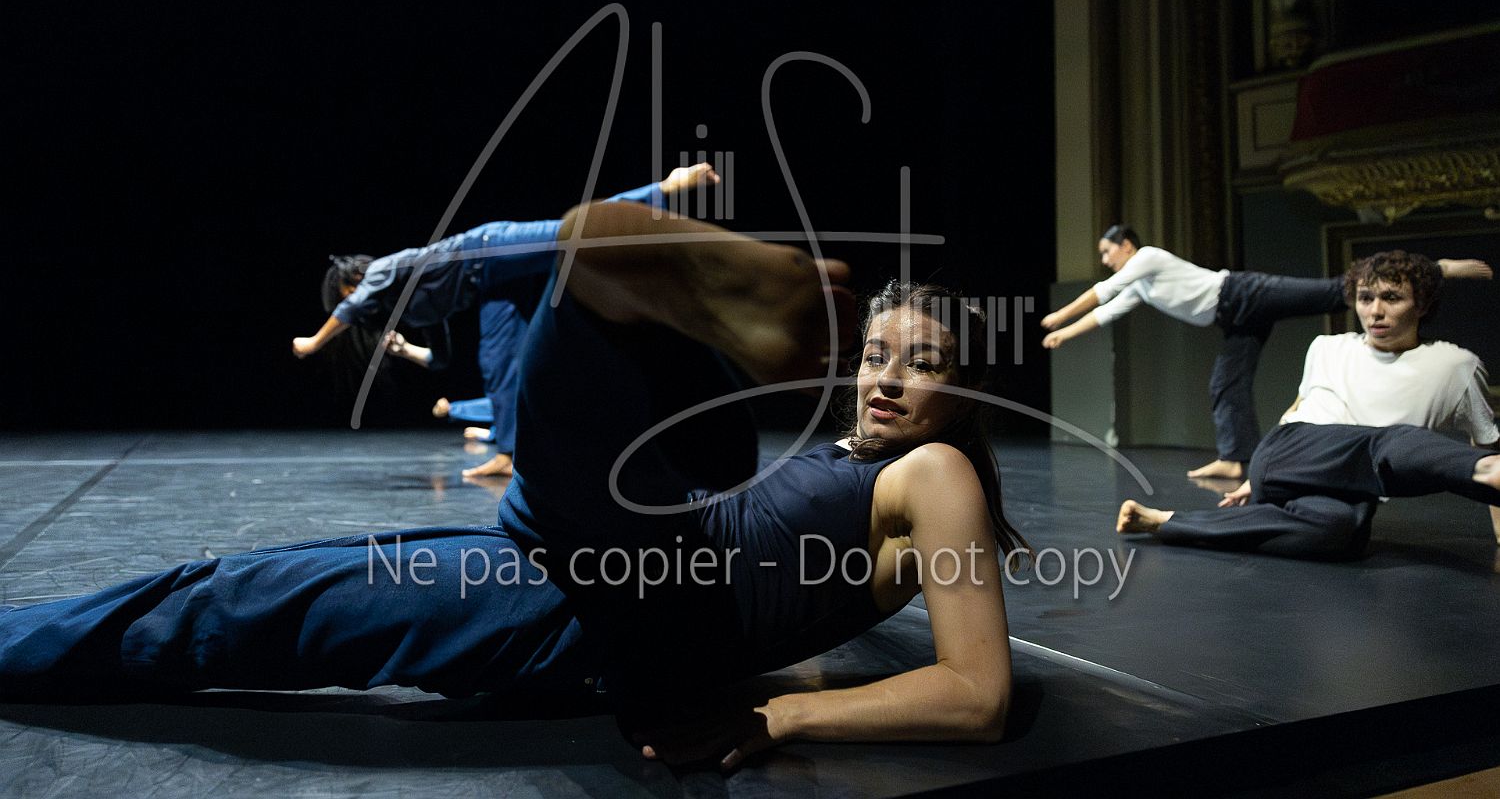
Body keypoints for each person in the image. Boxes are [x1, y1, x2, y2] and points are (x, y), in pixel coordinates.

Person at [2, 200, 1025, 771]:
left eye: (923, 363)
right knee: (240, 593)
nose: (887, 379)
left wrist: (781, 716)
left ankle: (605, 296)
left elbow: (977, 692)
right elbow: (848, 590)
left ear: (970, 387)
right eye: (876, 354)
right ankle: (612, 304)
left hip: (647, 594)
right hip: (611, 546)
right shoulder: (868, 464)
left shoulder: (939, 472)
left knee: (247, 607)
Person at [296, 163, 720, 479]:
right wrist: (407, 350)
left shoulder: (381, 270)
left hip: (488, 248)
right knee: (496, 360)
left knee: (571, 232)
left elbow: (353, 307)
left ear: (353, 281)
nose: (349, 302)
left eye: (344, 293)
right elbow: (440, 358)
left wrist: (314, 342)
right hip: (491, 287)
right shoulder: (413, 307)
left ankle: (665, 187)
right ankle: (507, 454)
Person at [1116, 250, 1500, 559]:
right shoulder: (1328, 347)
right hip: (1291, 450)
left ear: (1422, 304)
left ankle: (1166, 522)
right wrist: (1258, 475)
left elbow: (1484, 439)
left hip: (1352, 482)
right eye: (1365, 299)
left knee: (1340, 531)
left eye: (1391, 298)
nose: (1375, 311)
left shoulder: (1455, 366)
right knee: (1388, 440)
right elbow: (1297, 411)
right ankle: (1486, 472)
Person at [1040, 224, 1491, 480]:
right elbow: (1109, 310)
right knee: (1225, 383)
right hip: (1234, 317)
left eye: (1107, 251)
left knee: (1335, 291)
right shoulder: (1141, 284)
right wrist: (1067, 334)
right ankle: (1235, 459)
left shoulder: (1146, 258)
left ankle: (1435, 268)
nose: (1105, 259)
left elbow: (1102, 292)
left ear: (1125, 246)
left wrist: (1058, 315)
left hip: (1244, 293)